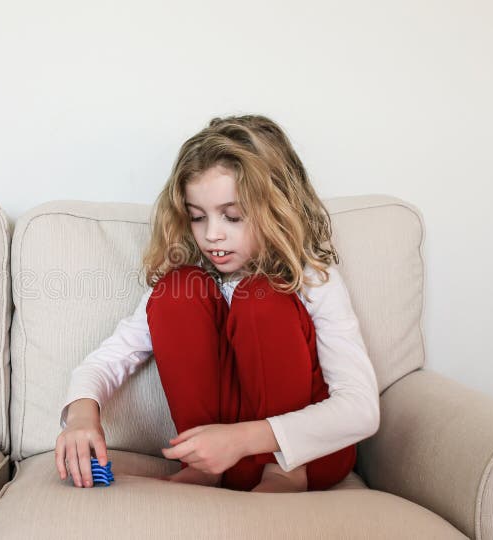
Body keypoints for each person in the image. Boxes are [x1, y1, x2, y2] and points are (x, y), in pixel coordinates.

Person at [54, 114, 380, 493]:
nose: (212, 235)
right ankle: (204, 472)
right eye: (197, 217)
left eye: (233, 216)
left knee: (263, 298)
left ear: (277, 206)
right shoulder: (195, 279)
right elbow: (105, 361)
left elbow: (361, 409)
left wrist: (242, 440)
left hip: (307, 459)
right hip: (219, 460)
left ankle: (282, 476)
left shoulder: (312, 278)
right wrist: (81, 415)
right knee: (177, 291)